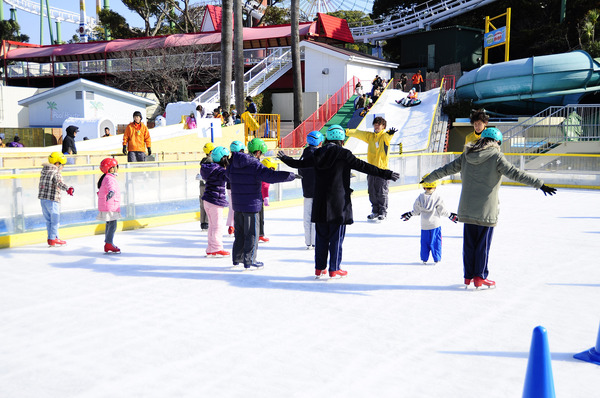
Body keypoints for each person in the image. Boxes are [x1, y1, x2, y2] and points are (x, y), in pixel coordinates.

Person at [421, 127, 557, 288]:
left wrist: (428, 178)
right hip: (486, 210)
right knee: (482, 245)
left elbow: (446, 169)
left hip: (467, 207)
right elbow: (515, 173)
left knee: (469, 244)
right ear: (497, 142)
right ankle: (480, 277)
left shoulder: (467, 155)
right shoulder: (496, 156)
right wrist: (540, 184)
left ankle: (468, 276)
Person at [278, 125, 399, 279]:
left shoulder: (318, 153)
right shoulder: (344, 154)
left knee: (321, 237)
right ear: (341, 140)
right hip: (338, 203)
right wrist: (386, 173)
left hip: (320, 201)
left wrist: (284, 158)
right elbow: (364, 167)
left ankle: (319, 268)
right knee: (336, 237)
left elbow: (299, 164)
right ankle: (334, 268)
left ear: (327, 138)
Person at [225, 137, 297, 270]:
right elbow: (270, 176)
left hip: (237, 204)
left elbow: (227, 176)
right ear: (258, 152)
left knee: (239, 233)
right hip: (251, 205)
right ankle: (250, 260)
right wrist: (290, 175)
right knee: (252, 233)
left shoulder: (233, 163)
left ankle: (237, 258)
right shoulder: (254, 164)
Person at [277, 130, 323, 249]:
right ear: (319, 142)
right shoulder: (318, 155)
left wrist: (285, 159)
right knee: (316, 217)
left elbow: (297, 164)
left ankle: (308, 242)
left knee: (307, 217)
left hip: (307, 191)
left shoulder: (305, 153)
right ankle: (314, 241)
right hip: (318, 191)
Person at [346, 116, 398, 221]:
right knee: (372, 191)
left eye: (379, 124)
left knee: (381, 192)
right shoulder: (370, 136)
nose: (376, 126)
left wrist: (390, 133)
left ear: (383, 126)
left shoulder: (384, 136)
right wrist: (347, 132)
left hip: (382, 170)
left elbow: (387, 137)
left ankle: (382, 212)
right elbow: (358, 133)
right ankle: (375, 211)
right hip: (371, 170)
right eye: (375, 124)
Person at [401, 178, 458, 265]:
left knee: (425, 242)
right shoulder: (437, 197)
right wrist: (450, 215)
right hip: (435, 225)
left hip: (424, 225)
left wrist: (410, 214)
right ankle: (437, 258)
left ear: (424, 187)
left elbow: (416, 211)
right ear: (435, 186)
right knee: (436, 242)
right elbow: (442, 211)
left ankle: (424, 258)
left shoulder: (420, 198)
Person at [38, 152, 75, 247]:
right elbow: (59, 183)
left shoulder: (44, 171)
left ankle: (53, 237)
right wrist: (68, 189)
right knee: (55, 220)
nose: (63, 167)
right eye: (62, 165)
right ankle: (53, 238)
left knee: (48, 220)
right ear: (57, 163)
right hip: (52, 199)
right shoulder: (56, 172)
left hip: (43, 200)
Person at [201, 146, 231, 258]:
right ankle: (217, 248)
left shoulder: (209, 168)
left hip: (208, 200)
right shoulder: (219, 171)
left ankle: (210, 248)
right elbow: (229, 177)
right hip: (215, 200)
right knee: (217, 226)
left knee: (212, 226)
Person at [97, 158, 122, 253]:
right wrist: (111, 192)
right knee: (112, 225)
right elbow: (111, 186)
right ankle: (108, 243)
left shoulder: (106, 177)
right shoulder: (109, 178)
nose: (117, 168)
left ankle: (108, 243)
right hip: (110, 205)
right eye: (116, 167)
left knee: (110, 224)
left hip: (108, 205)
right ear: (111, 169)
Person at [226, 140, 245, 236]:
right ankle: (236, 226)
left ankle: (231, 225)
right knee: (239, 208)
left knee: (232, 207)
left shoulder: (228, 161)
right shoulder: (242, 161)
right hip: (239, 187)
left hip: (230, 187)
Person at [196, 142, 215, 231]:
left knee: (202, 203)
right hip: (208, 184)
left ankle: (203, 223)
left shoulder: (203, 161)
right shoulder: (212, 161)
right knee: (208, 203)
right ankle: (207, 222)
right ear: (211, 151)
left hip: (201, 184)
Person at [258, 157, 277, 243]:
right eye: (272, 169)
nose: (273, 171)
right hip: (258, 200)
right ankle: (259, 235)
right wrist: (266, 198)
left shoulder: (258, 172)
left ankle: (258, 234)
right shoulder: (266, 176)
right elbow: (265, 187)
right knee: (259, 218)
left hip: (253, 198)